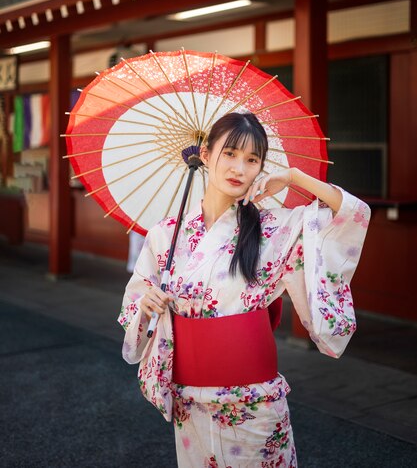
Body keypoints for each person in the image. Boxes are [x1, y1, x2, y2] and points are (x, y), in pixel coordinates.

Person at [117, 112, 370, 467]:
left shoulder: (273, 228)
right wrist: (147, 303)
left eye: (253, 160)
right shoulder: (166, 234)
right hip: (189, 400)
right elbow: (135, 301)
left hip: (253, 400)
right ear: (205, 155)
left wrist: (295, 178)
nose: (240, 168)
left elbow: (352, 215)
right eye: (230, 153)